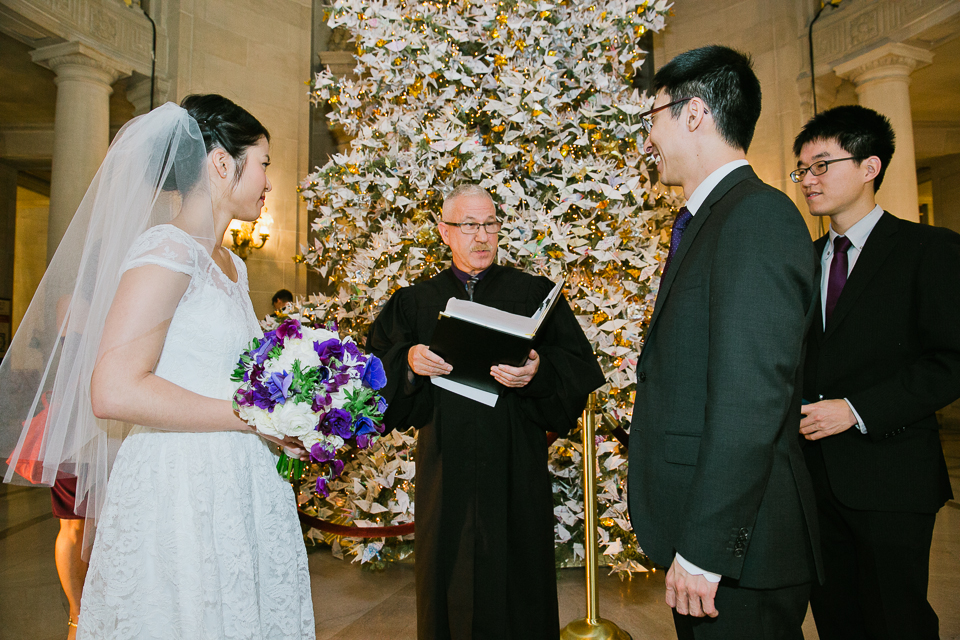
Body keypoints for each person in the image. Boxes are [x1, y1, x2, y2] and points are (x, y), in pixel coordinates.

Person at [1, 95, 314, 639]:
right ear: (222, 163)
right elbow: (114, 390)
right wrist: (250, 417)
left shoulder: (231, 264)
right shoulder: (167, 251)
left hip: (237, 476)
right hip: (181, 481)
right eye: (263, 163)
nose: (268, 182)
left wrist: (285, 414)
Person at [626, 45, 822, 639]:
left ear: (693, 114)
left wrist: (707, 548)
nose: (648, 137)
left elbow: (751, 397)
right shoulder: (712, 217)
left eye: (652, 117)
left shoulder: (756, 217)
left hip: (740, 553)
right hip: (717, 543)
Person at [367, 184, 605, 640]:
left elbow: (578, 369)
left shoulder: (531, 293)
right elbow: (373, 370)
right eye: (469, 225)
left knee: (519, 581)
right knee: (448, 578)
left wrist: (538, 370)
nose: (482, 236)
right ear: (445, 232)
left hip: (515, 462)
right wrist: (411, 362)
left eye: (490, 224)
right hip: (446, 464)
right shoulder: (415, 301)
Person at [793, 105, 960, 640]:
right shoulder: (804, 260)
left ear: (870, 166)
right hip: (814, 482)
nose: (808, 181)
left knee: (896, 622)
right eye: (802, 170)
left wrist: (856, 411)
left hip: (892, 477)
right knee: (837, 620)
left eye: (821, 165)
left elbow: (951, 360)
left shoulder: (928, 250)